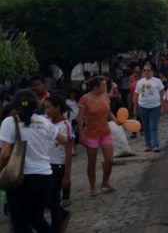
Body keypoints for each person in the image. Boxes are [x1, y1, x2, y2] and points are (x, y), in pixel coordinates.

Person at [0, 89, 69, 233]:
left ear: (15, 104)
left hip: (20, 179)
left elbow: (5, 154)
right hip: (44, 176)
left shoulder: (9, 122)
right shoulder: (43, 121)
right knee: (37, 219)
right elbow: (63, 139)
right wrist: (47, 145)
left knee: (20, 224)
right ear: (35, 104)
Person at [78, 76, 119, 197]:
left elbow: (109, 112)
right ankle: (92, 187)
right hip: (91, 133)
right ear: (95, 87)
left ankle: (105, 182)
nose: (105, 87)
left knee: (110, 160)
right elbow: (80, 118)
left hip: (105, 131)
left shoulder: (105, 96)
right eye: (103, 85)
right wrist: (81, 134)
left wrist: (116, 120)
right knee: (92, 162)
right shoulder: (84, 99)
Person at [44, 94, 74, 232]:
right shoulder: (45, 122)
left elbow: (68, 152)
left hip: (58, 166)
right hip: (46, 165)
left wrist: (66, 176)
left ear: (57, 108)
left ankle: (57, 225)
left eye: (48, 107)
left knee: (52, 199)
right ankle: (63, 215)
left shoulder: (65, 125)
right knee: (48, 199)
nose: (46, 110)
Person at [134, 63, 165, 153]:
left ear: (152, 71)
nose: (146, 72)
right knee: (145, 127)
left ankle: (155, 145)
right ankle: (148, 145)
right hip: (142, 106)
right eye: (144, 70)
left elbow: (162, 94)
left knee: (153, 126)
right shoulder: (140, 82)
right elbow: (136, 95)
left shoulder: (157, 81)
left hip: (155, 106)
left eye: (148, 70)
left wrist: (163, 107)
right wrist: (135, 108)